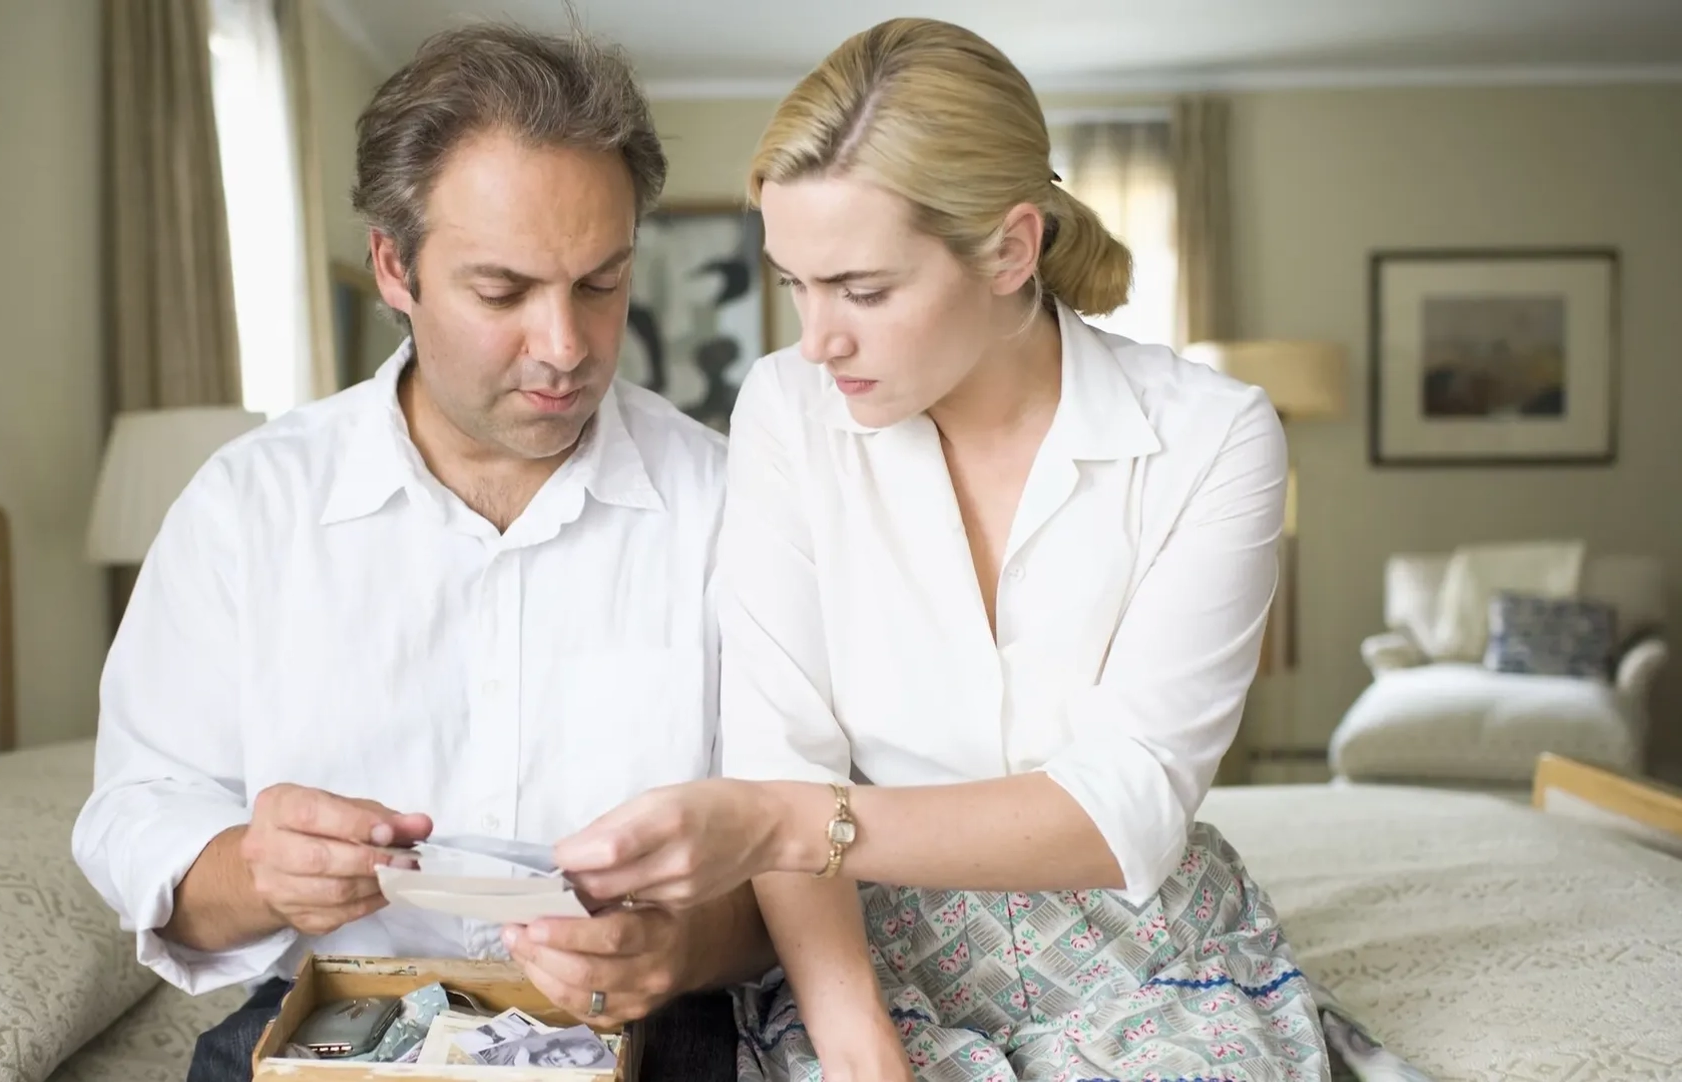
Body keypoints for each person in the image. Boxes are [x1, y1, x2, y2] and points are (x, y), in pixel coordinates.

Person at [552, 17, 1422, 1082]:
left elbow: (1122, 809)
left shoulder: (1214, 436)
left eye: (864, 289)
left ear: (1012, 249)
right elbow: (785, 744)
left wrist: (777, 818)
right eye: (795, 284)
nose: (818, 336)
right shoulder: (789, 407)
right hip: (864, 950)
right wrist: (861, 1045)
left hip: (1137, 940)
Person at [71, 22, 768, 1082]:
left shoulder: (729, 505)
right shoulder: (248, 507)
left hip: (650, 1020)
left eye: (601, 281)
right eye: (503, 292)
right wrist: (262, 872)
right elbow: (134, 815)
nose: (566, 346)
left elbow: (810, 851)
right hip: (337, 1013)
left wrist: (686, 943)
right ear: (394, 266)